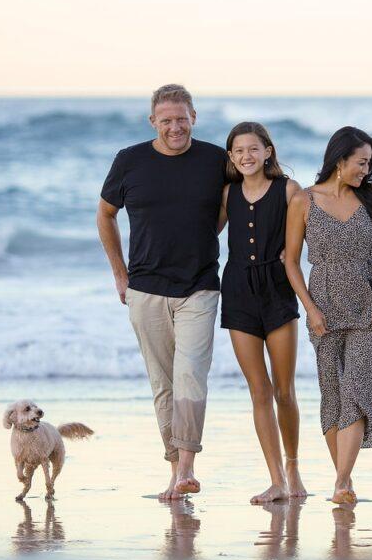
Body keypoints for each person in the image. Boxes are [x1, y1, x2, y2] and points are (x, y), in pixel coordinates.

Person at [96, 84, 227, 500]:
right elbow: (105, 214)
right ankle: (175, 471)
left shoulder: (215, 159)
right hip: (145, 288)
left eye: (182, 118)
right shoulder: (129, 161)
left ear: (194, 117)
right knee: (163, 383)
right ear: (153, 121)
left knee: (191, 376)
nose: (175, 127)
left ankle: (187, 466)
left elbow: (234, 203)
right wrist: (120, 274)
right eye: (166, 120)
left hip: (200, 286)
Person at [284, 126, 372, 505]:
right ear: (339, 159)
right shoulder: (303, 201)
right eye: (361, 163)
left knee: (358, 390)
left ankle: (343, 481)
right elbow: (291, 261)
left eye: (369, 164)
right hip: (324, 306)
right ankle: (342, 482)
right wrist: (310, 309)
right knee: (331, 395)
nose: (366, 170)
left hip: (369, 304)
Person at [220, 122, 307, 503]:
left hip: (277, 291)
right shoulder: (227, 194)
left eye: (253, 149)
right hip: (237, 291)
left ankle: (292, 465)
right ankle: (275, 479)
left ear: (268, 151)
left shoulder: (288, 190)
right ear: (231, 157)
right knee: (259, 390)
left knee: (284, 391)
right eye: (238, 151)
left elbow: (307, 239)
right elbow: (202, 234)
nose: (246, 156)